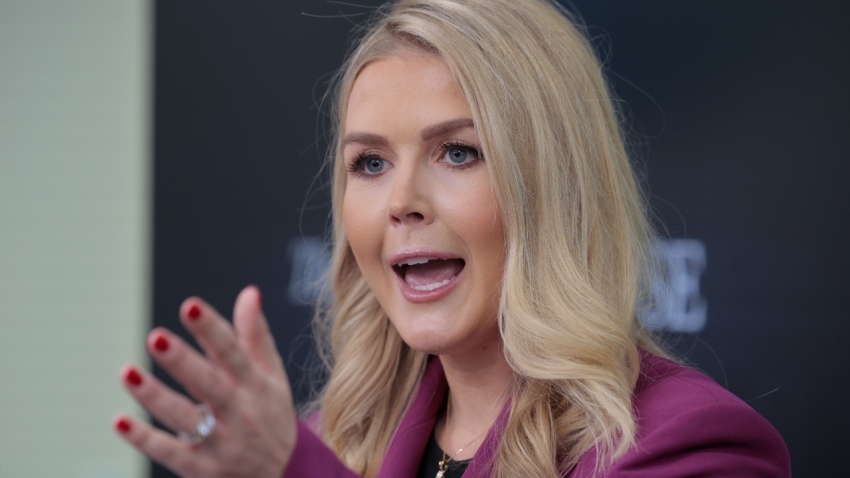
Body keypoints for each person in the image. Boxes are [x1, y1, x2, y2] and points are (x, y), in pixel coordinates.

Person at [113, 0, 791, 476]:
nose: (401, 203)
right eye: (370, 164)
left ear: (552, 185)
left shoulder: (688, 446)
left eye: (458, 153)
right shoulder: (337, 439)